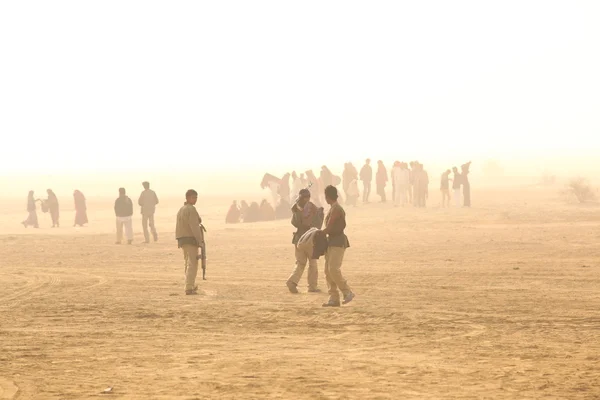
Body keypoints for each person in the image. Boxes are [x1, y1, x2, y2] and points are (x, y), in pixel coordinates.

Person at [321, 185, 354, 307]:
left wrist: (318, 233)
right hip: (331, 242)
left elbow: (329, 227)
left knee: (333, 269)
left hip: (338, 242)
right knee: (327, 271)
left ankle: (347, 292)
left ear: (327, 197)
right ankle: (334, 298)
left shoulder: (336, 209)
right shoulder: (333, 208)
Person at [287, 189, 322, 293]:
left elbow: (294, 222)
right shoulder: (312, 208)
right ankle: (312, 286)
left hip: (298, 238)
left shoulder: (296, 208)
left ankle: (292, 282)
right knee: (313, 263)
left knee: (300, 263)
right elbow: (318, 224)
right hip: (310, 238)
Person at [175, 189, 206, 295]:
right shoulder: (191, 209)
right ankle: (189, 287)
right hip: (190, 239)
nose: (195, 200)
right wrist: (200, 241)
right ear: (187, 198)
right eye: (193, 197)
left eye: (196, 197)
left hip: (183, 240)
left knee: (188, 263)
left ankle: (189, 285)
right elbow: (195, 226)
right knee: (192, 264)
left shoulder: (181, 209)